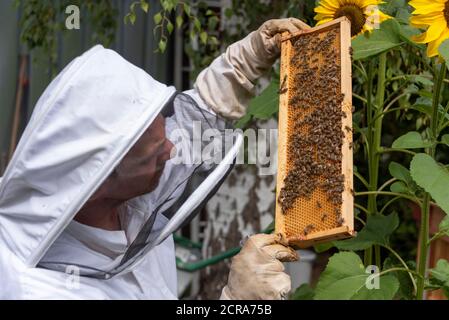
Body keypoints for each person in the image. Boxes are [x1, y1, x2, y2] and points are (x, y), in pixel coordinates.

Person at [0, 18, 308, 299]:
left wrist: (242, 62)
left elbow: (182, 129)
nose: (173, 151)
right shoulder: (38, 290)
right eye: (156, 151)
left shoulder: (121, 198)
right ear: (99, 179)